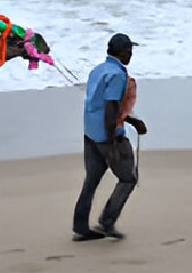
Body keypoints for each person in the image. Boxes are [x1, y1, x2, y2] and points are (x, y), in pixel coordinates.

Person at [72, 33, 148, 242]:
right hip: (107, 135)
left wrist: (133, 121)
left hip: (90, 133)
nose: (131, 54)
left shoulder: (98, 70)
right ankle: (107, 221)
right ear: (122, 52)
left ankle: (80, 226)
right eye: (129, 51)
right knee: (128, 178)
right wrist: (113, 140)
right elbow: (111, 106)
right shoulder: (117, 75)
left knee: (91, 181)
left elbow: (97, 102)